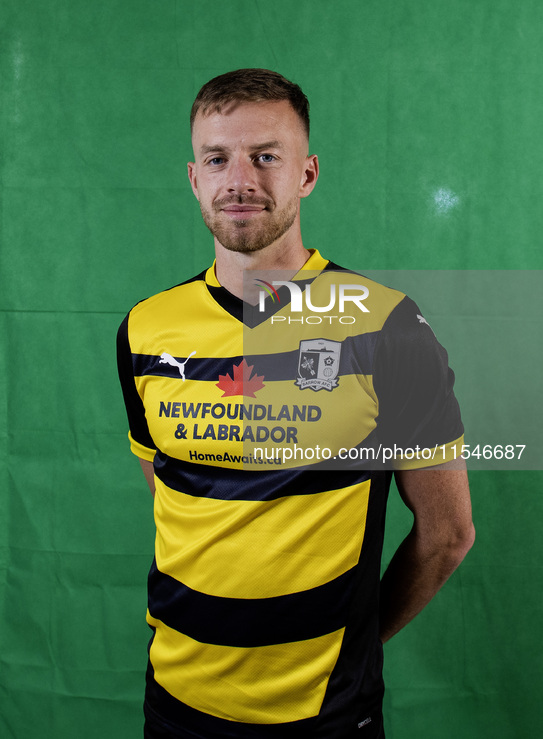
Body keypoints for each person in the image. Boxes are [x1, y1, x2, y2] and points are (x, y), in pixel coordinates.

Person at [117, 69, 475, 739]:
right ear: (194, 178)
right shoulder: (144, 328)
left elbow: (447, 535)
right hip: (173, 703)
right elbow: (175, 500)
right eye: (216, 158)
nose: (239, 179)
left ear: (306, 174)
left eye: (265, 156)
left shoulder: (384, 327)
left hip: (325, 716)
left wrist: (355, 645)